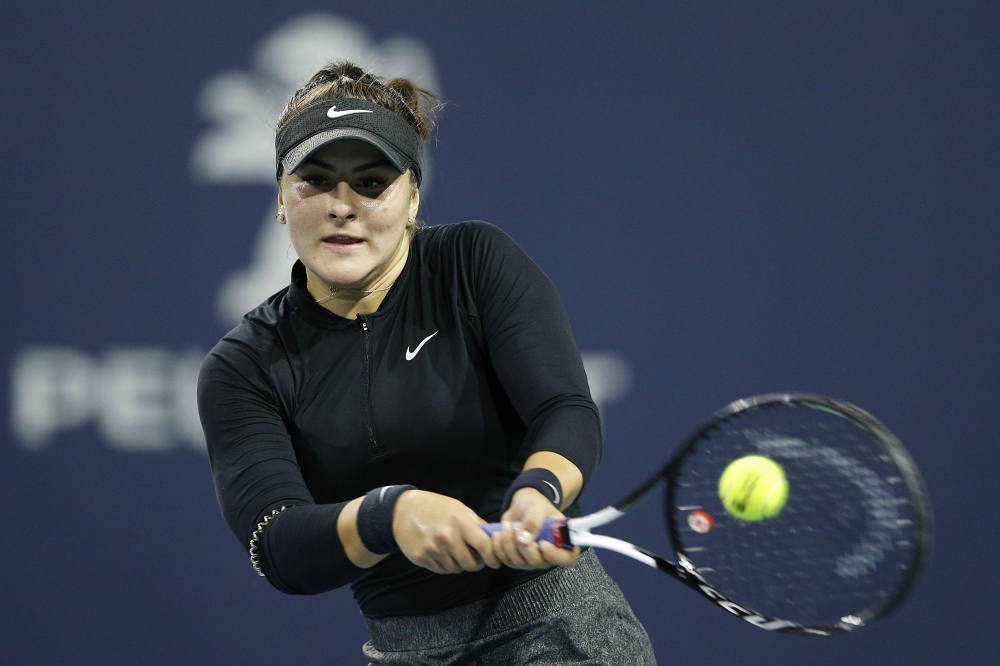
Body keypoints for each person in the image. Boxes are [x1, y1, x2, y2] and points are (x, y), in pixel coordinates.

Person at [198, 61, 656, 665]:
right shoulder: (244, 367)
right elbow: (277, 546)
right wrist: (388, 515)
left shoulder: (475, 263)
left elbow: (563, 408)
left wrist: (539, 491)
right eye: (314, 179)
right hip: (405, 650)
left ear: (413, 197)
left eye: (370, 182)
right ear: (281, 198)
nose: (342, 205)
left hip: (561, 629)